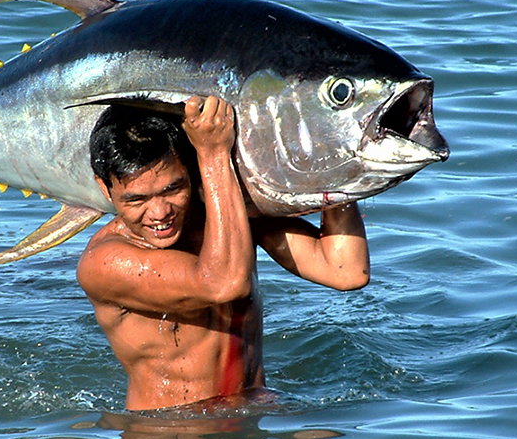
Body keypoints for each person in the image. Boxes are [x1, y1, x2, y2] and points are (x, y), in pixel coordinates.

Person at [77, 95, 370, 411]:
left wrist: (333, 161)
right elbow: (223, 283)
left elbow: (345, 270)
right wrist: (215, 152)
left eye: (173, 189)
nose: (160, 213)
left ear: (188, 171)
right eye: (137, 200)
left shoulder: (225, 216)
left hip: (251, 416)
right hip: (167, 430)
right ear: (105, 189)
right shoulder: (104, 263)